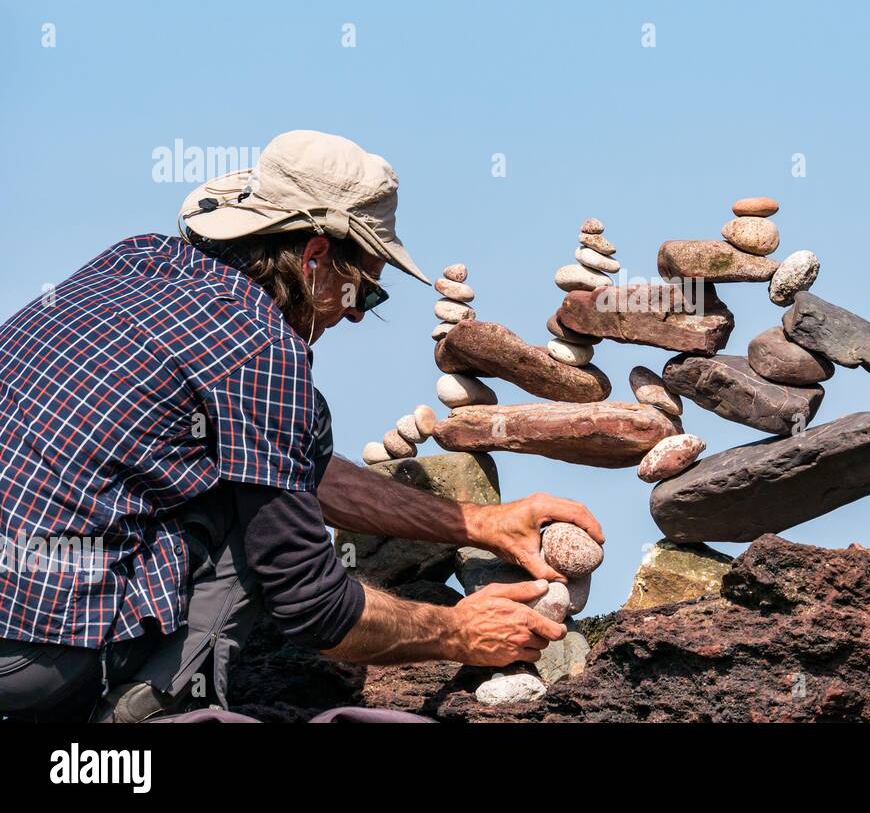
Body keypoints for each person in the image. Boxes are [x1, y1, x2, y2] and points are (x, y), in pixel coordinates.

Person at [0, 130, 603, 722]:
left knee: (235, 487)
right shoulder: (257, 348)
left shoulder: (137, 261)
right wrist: (460, 631)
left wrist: (478, 523)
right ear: (315, 258)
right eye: (364, 292)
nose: (356, 315)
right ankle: (150, 709)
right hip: (30, 660)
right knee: (243, 517)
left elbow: (292, 470)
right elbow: (315, 608)